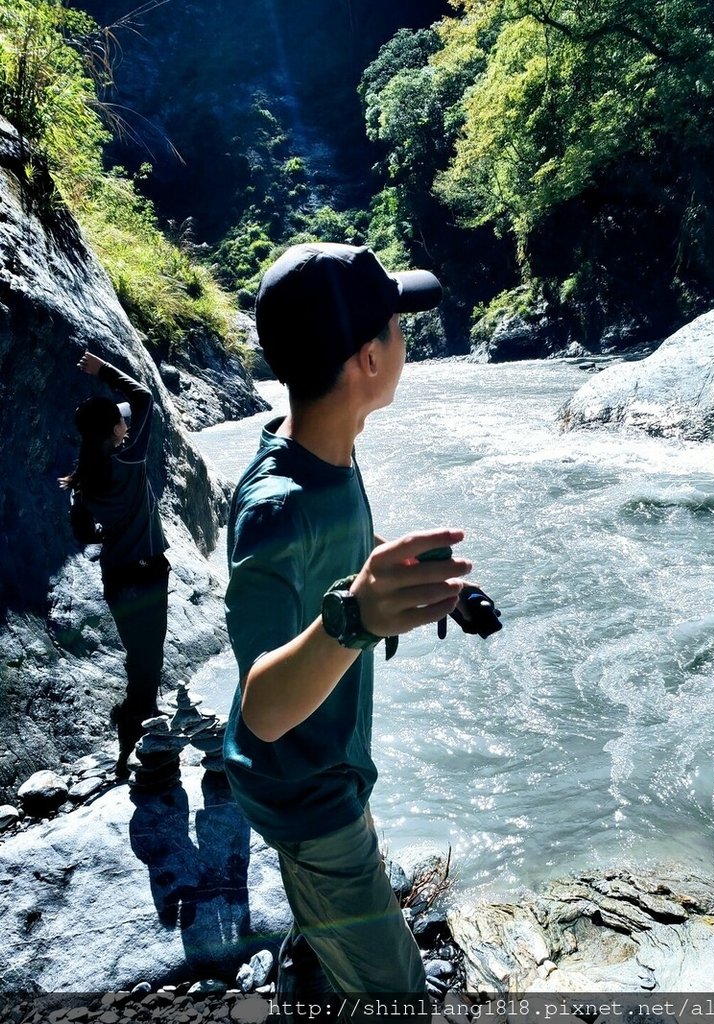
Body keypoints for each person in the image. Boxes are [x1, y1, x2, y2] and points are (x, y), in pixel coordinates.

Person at [223, 242, 476, 1014]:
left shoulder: (327, 454)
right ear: (368, 357)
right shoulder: (276, 507)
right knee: (397, 995)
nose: (407, 338)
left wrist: (410, 581)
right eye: (398, 326)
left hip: (329, 767)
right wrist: (355, 616)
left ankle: (310, 969)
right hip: (310, 798)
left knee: (334, 938)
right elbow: (262, 707)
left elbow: (340, 553)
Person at [60, 352, 170, 778]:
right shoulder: (128, 459)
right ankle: (133, 738)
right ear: (113, 429)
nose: (128, 423)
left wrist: (111, 535)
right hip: (146, 574)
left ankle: (137, 737)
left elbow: (84, 533)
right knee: (147, 666)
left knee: (139, 661)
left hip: (117, 578)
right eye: (120, 421)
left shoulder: (83, 477)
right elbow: (143, 397)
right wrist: (103, 370)